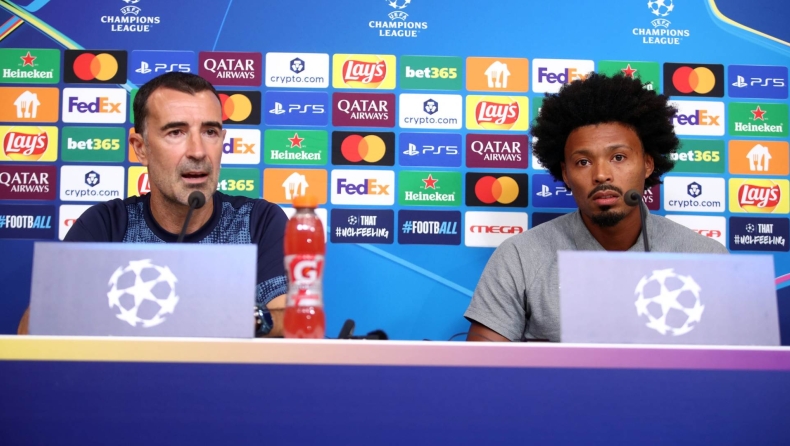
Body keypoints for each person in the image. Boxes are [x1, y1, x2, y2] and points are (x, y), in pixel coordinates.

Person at [465, 73, 728, 343]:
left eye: (618, 157)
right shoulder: (520, 256)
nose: (601, 175)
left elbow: (734, 364)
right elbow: (481, 363)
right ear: (565, 174)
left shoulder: (706, 258)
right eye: (583, 162)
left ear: (648, 164)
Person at [18, 72, 287, 336]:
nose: (198, 151)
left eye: (210, 132)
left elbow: (291, 319)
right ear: (140, 148)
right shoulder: (106, 225)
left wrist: (237, 318)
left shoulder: (258, 221)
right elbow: (32, 331)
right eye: (176, 132)